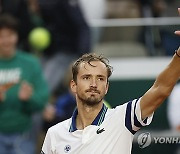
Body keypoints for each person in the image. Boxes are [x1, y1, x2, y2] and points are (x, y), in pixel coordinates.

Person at [41, 8, 180, 154]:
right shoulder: (55, 134)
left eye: (100, 78)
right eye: (86, 77)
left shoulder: (123, 118)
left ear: (106, 87)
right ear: (73, 85)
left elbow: (161, 89)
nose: (94, 84)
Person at [0, 14, 49, 154]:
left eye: (9, 35)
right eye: (1, 36)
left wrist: (29, 98)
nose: (5, 40)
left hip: (23, 136)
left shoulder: (30, 63)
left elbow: (42, 99)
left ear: (16, 36)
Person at [37, 0, 91, 95]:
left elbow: (82, 28)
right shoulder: (40, 5)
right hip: (48, 52)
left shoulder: (67, 4)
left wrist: (83, 56)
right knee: (37, 83)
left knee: (44, 88)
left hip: (67, 52)